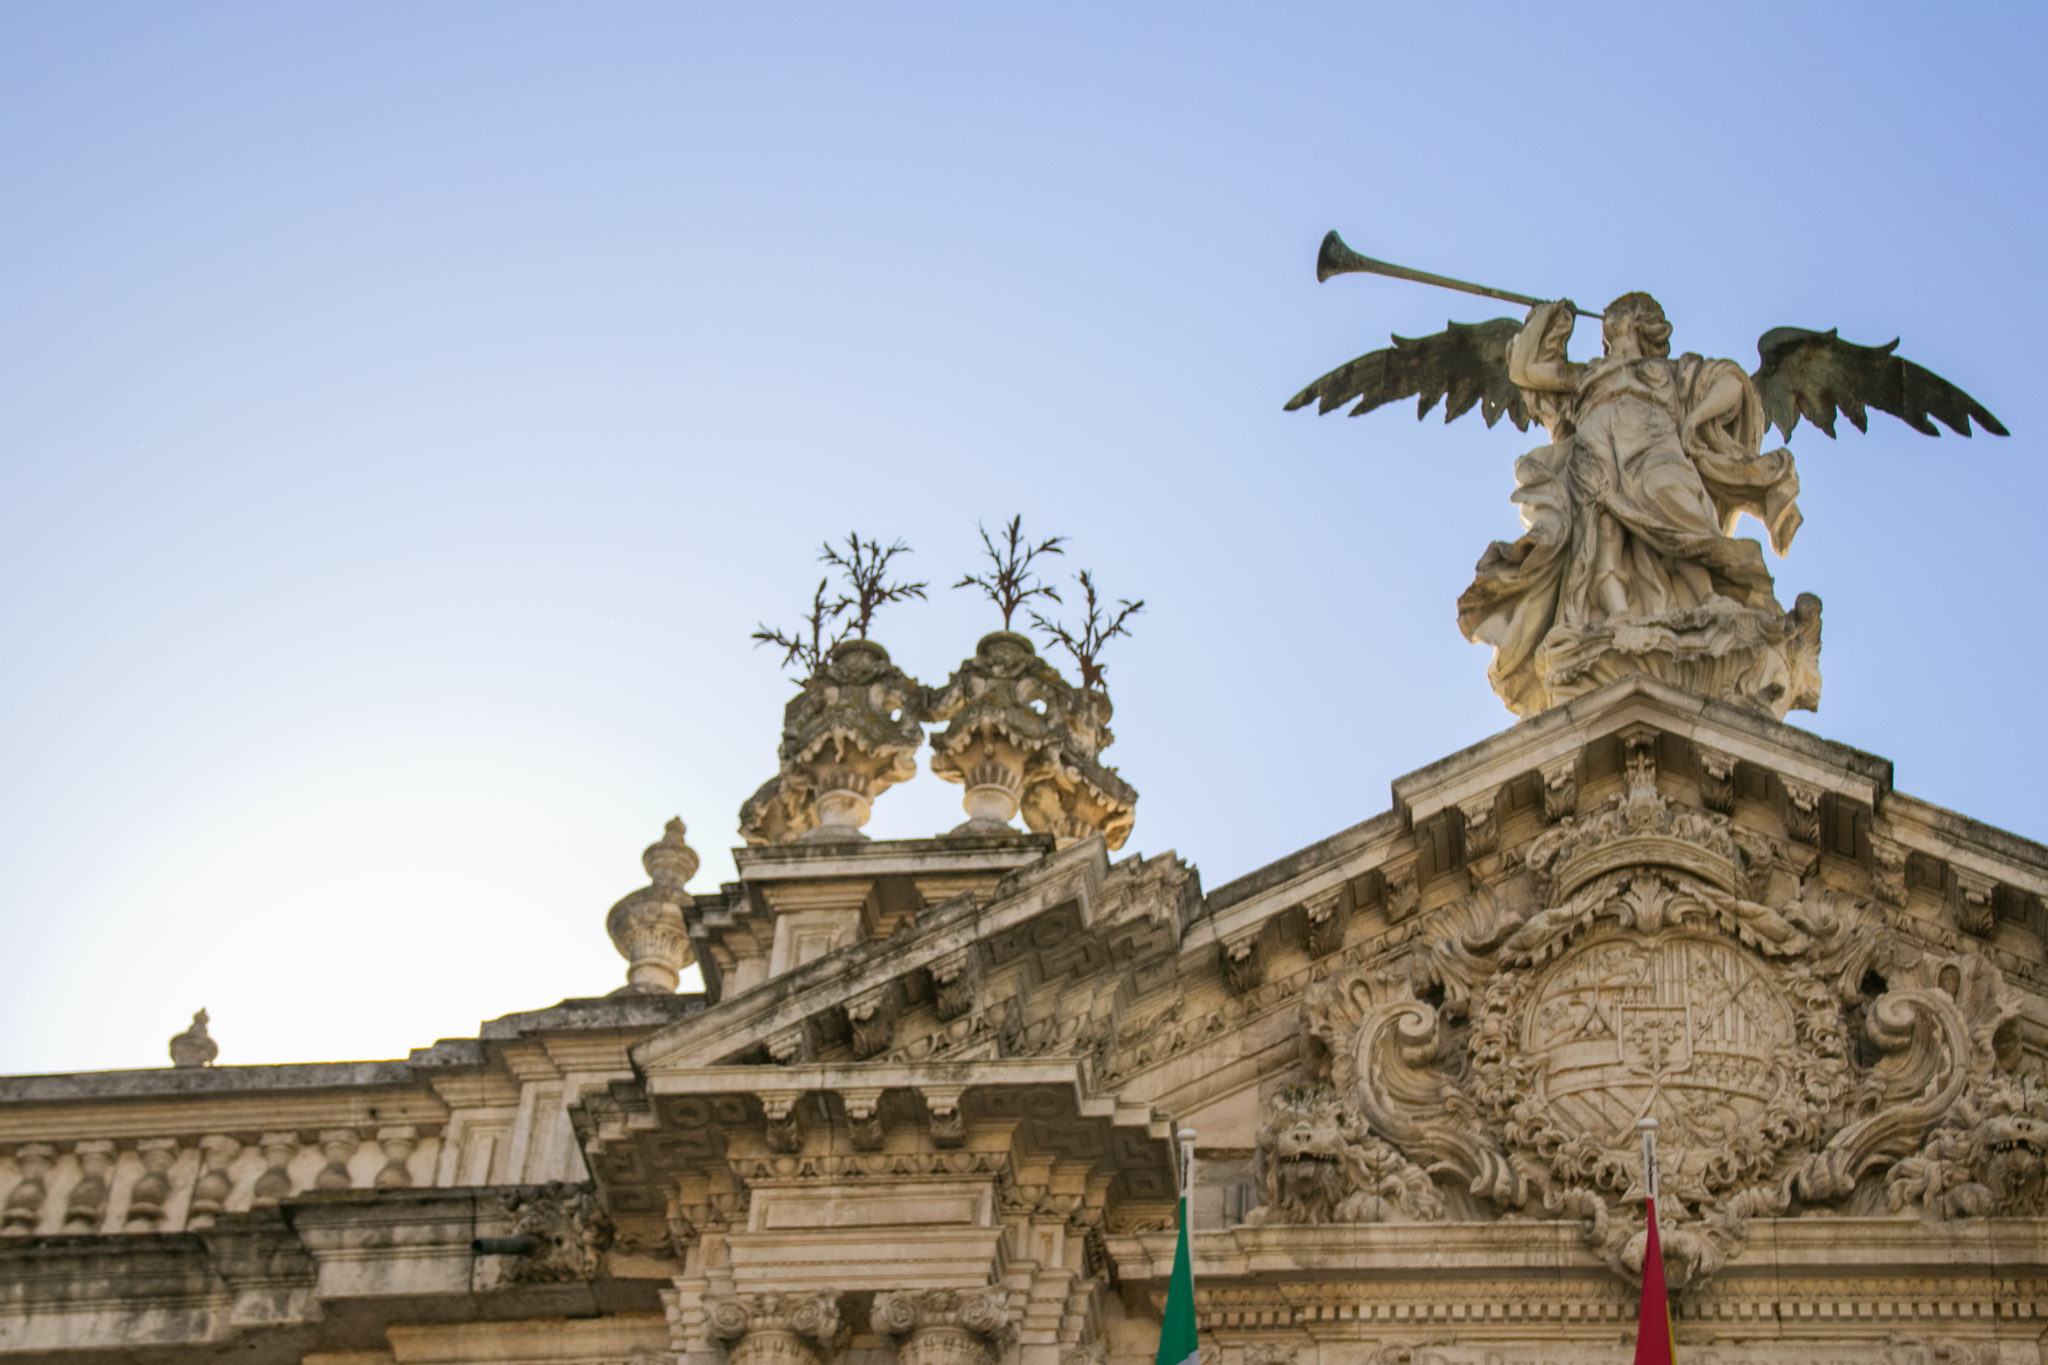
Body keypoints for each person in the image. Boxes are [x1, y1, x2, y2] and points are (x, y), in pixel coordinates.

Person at [1456, 293, 1813, 717]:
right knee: (1601, 542)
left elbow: (1731, 383)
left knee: (1684, 528)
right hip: (1597, 452)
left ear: (1644, 323)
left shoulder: (1668, 372)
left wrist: (1696, 420)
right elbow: (1528, 370)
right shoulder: (1590, 374)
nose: (1612, 323)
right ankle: (1619, 620)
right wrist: (1550, 320)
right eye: (1612, 318)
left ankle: (1708, 601)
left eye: (1624, 315)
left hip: (1654, 446)